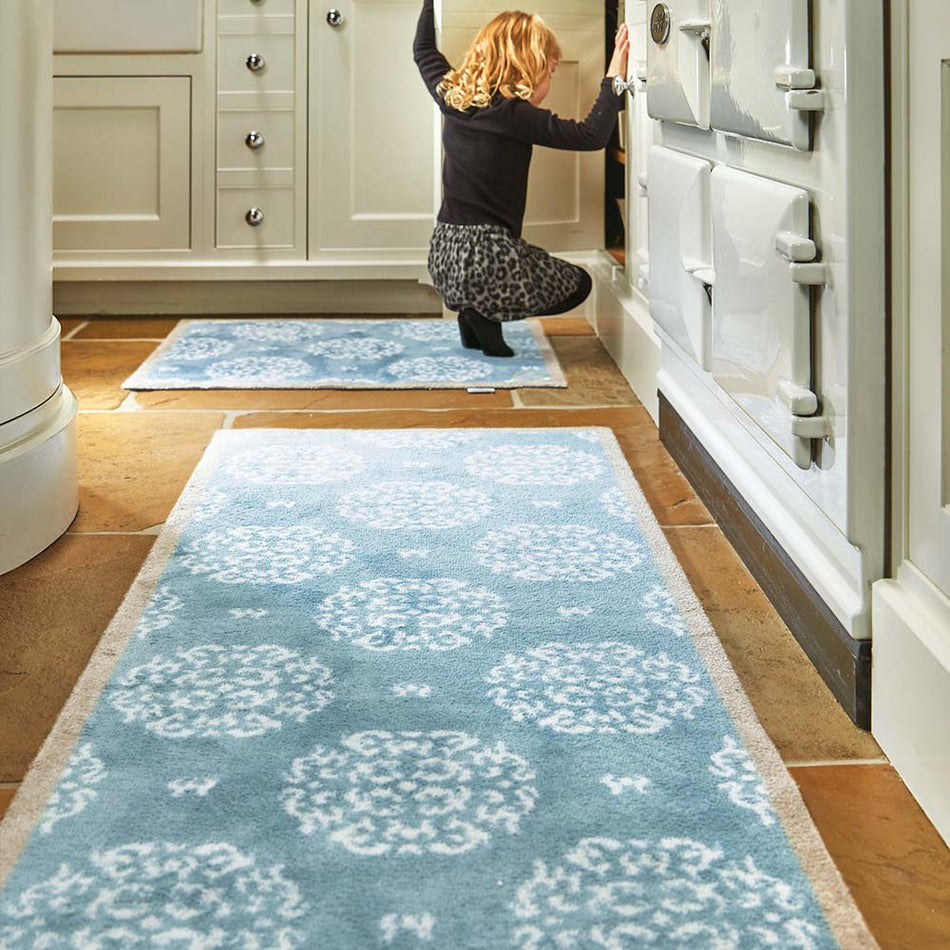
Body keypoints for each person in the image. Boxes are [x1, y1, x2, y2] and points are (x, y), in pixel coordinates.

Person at [413, 1, 629, 356]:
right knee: (580, 285)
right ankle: (484, 314)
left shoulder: (453, 95)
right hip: (488, 257)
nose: (551, 79)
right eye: (551, 70)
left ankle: (470, 314)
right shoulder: (514, 115)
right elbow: (592, 136)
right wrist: (615, 75)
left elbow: (422, 50)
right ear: (527, 67)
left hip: (443, 255)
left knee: (520, 263)